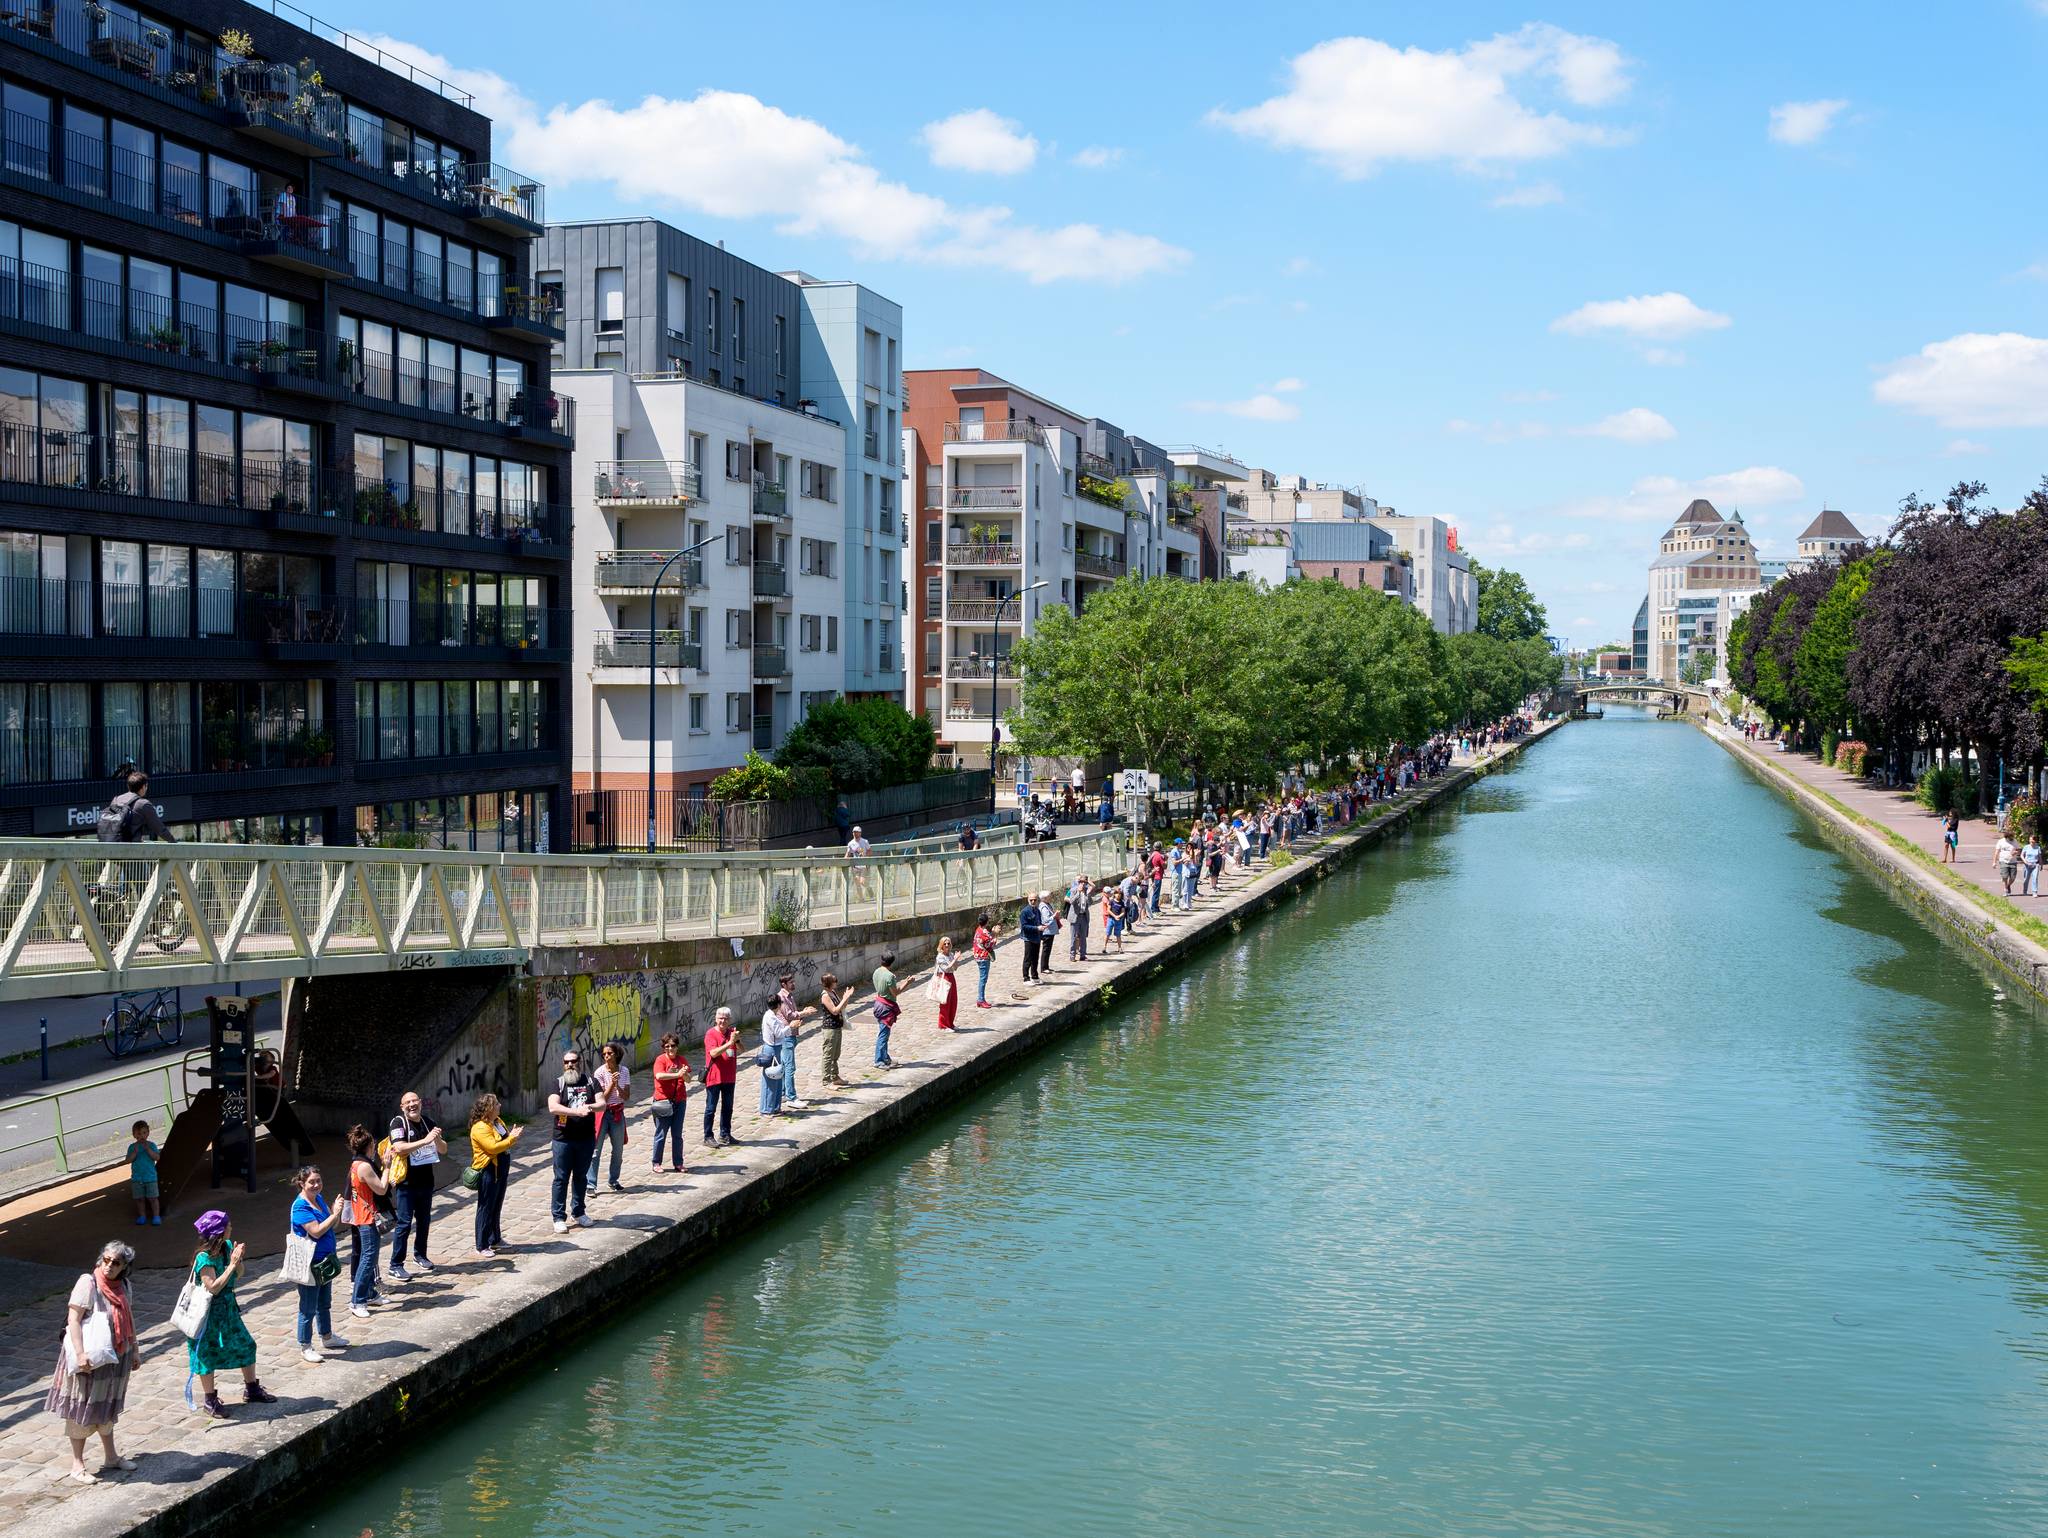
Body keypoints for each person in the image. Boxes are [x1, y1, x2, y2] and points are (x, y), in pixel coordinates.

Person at [47, 1241, 141, 1483]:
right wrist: (79, 1354)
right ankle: (77, 1464)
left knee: (107, 1406)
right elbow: (74, 1320)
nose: (109, 1266)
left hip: (115, 1358)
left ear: (124, 1267)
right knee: (82, 1407)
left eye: (116, 1263)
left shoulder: (125, 1286)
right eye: (106, 1260)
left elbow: (129, 1318)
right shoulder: (87, 1283)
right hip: (89, 1358)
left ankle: (111, 1456)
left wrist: (136, 1350)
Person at [185, 1211, 273, 1421]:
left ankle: (251, 1389)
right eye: (228, 1225)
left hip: (229, 1310)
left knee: (246, 1344)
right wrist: (232, 1265)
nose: (231, 1227)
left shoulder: (226, 1248)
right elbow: (213, 1287)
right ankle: (209, 1400)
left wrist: (237, 1260)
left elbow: (239, 1275)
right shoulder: (203, 1258)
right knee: (207, 1354)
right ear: (219, 1232)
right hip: (208, 1315)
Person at [288, 1166, 349, 1363]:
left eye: (318, 1181)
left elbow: (333, 1226)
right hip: (309, 1263)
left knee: (324, 1302)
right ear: (302, 1184)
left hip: (324, 1261)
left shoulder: (319, 1200)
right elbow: (316, 1231)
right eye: (311, 1182)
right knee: (308, 1307)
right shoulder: (300, 1207)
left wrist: (334, 1213)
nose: (316, 1185)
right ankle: (305, 1346)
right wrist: (335, 1213)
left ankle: (327, 1336)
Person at [386, 1090, 444, 1281]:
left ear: (420, 1103)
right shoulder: (398, 1123)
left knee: (424, 1220)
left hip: (426, 1181)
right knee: (404, 1223)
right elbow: (399, 1148)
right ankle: (396, 1264)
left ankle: (420, 1255)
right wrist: (425, 1141)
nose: (412, 1105)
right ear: (402, 1107)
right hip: (406, 1183)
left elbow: (443, 1149)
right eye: (408, 1102)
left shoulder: (428, 1123)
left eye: (415, 1101)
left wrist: (436, 1139)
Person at [548, 1050, 598, 1233]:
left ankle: (578, 1211)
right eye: (566, 1062)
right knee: (561, 1178)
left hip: (585, 1138)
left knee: (580, 1176)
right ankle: (558, 1217)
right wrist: (576, 1112)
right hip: (563, 1139)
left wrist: (589, 1107)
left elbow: (602, 1104)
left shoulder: (591, 1081)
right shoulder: (559, 1083)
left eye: (573, 1061)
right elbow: (553, 1107)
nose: (570, 1065)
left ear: (580, 1062)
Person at [344, 1124, 389, 1320]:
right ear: (369, 1146)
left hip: (362, 1215)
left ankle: (370, 1294)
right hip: (366, 1217)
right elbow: (381, 1189)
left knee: (369, 1256)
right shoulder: (364, 1166)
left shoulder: (356, 1163)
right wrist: (387, 1165)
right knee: (368, 1258)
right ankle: (357, 1300)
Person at [467, 1093, 519, 1256]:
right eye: (496, 1104)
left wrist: (511, 1136)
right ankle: (481, 1244)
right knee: (486, 1206)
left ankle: (495, 1238)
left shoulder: (497, 1121)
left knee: (497, 1205)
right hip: (488, 1171)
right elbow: (492, 1147)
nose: (500, 1106)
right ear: (489, 1109)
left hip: (501, 1169)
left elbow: (504, 1137)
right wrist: (512, 1139)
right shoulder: (480, 1127)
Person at [587, 1040, 632, 1191]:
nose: (606, 1056)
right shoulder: (599, 1073)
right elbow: (602, 1099)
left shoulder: (624, 1071)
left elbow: (626, 1096)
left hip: (617, 1113)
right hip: (603, 1113)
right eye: (604, 1054)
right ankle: (591, 1184)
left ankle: (613, 1180)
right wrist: (612, 1084)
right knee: (595, 1150)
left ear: (617, 1054)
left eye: (610, 1053)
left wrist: (618, 1084)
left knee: (618, 1150)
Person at [650, 1033, 690, 1172]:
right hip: (663, 1101)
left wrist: (684, 1073)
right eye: (667, 1046)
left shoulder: (682, 1060)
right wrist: (676, 1074)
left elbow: (688, 1080)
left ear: (677, 1047)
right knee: (661, 1133)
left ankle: (678, 1163)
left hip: (680, 1101)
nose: (670, 1049)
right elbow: (659, 1075)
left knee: (677, 1134)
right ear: (663, 1048)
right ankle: (656, 1162)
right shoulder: (660, 1060)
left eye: (673, 1046)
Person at [103, 770, 174, 842]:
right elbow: (160, 829)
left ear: (128, 786)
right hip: (130, 849)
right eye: (146, 786)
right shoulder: (143, 804)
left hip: (110, 845)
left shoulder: (116, 799)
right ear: (143, 787)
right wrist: (174, 843)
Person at [701, 1010, 738, 1147]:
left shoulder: (731, 1033)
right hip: (714, 1077)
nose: (723, 1021)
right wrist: (730, 1043)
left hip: (729, 1077)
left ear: (729, 1020)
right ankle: (708, 1136)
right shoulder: (710, 1034)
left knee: (728, 1107)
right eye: (720, 1018)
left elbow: (742, 1049)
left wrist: (737, 1041)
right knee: (711, 1108)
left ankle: (725, 1134)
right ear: (716, 1019)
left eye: (726, 1019)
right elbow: (714, 1053)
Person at [817, 973, 854, 1087]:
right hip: (830, 1028)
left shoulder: (832, 992)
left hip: (837, 1026)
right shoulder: (825, 996)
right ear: (829, 983)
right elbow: (834, 1010)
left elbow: (842, 1006)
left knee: (835, 1054)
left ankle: (835, 1077)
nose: (836, 982)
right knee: (828, 1054)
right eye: (834, 981)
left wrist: (846, 998)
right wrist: (845, 998)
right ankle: (826, 1080)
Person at [775, 976, 804, 1108]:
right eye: (791, 982)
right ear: (784, 984)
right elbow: (789, 1015)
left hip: (790, 1034)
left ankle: (782, 1094)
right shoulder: (781, 997)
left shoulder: (789, 996)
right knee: (789, 1067)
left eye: (793, 981)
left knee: (785, 1066)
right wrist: (804, 1013)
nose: (794, 984)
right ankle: (791, 1097)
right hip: (786, 1036)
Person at [125, 1119, 159, 1226]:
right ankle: (142, 1216)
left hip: (150, 1177)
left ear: (148, 1133)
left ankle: (156, 1216)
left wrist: (148, 1150)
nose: (142, 1136)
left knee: (153, 1198)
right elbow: (128, 1160)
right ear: (134, 1135)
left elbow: (157, 1157)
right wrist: (134, 1153)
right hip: (137, 1178)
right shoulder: (132, 1147)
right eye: (138, 1133)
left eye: (144, 1133)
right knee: (139, 1199)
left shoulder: (152, 1145)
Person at [759, 999, 790, 1114]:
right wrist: (791, 1026)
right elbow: (779, 1033)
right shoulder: (770, 1016)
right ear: (778, 1005)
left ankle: (776, 1107)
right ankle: (766, 1109)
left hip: (777, 1048)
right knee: (770, 1079)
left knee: (777, 1078)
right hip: (771, 1049)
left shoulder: (773, 1015)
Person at [872, 952, 901, 1067]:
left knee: (884, 1033)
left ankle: (885, 1057)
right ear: (892, 962)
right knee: (883, 1034)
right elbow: (895, 993)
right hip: (886, 1007)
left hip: (878, 1003)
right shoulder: (889, 976)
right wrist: (907, 983)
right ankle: (879, 1060)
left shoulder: (876, 972)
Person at [930, 935, 960, 1030]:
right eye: (945, 944)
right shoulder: (940, 957)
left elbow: (955, 968)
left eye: (948, 943)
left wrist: (955, 960)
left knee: (953, 1001)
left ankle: (950, 1023)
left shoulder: (950, 955)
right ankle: (943, 1024)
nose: (947, 945)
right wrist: (954, 959)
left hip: (951, 978)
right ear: (941, 945)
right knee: (945, 1002)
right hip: (944, 979)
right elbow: (946, 969)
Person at [971, 912, 996, 1007]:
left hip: (977, 956)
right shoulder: (985, 932)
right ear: (987, 922)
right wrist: (995, 934)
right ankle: (981, 999)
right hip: (983, 957)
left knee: (982, 978)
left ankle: (980, 999)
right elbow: (991, 944)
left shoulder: (978, 930)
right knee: (983, 979)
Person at [1065, 880, 1091, 962]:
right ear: (1079, 883)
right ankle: (1072, 955)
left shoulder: (1086, 891)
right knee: (1074, 937)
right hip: (1075, 917)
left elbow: (1090, 902)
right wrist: (1078, 893)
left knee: (1083, 937)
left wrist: (1088, 895)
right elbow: (1072, 901)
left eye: (1085, 883)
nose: (1083, 884)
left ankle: (1083, 955)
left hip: (1084, 916)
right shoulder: (1073, 890)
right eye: (1082, 882)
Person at [1018, 895, 1042, 983]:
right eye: (1031, 900)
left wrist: (1042, 928)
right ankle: (1026, 977)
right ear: (1028, 900)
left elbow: (1039, 922)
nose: (1033, 902)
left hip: (1037, 937)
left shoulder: (1037, 911)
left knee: (1035, 958)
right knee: (1028, 958)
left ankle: (1035, 976)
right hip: (1028, 938)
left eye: (1035, 900)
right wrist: (1036, 928)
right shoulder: (1025, 912)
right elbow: (1024, 926)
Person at [1036, 891, 1059, 977]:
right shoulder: (1043, 907)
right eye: (1049, 897)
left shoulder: (1047, 904)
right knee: (1046, 949)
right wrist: (1054, 915)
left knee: (1048, 949)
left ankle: (1046, 966)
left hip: (1050, 931)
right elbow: (1046, 920)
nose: (1051, 898)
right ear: (1044, 898)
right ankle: (1043, 967)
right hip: (1047, 931)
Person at [1104, 884, 1126, 953]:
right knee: (1107, 934)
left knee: (1118, 935)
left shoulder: (1122, 903)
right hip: (1111, 919)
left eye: (1119, 894)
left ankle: (1119, 947)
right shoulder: (1111, 901)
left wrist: (1119, 916)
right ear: (1114, 894)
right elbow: (1108, 910)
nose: (1118, 895)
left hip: (1119, 920)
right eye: (1116, 893)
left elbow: (1123, 912)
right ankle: (1104, 947)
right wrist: (1114, 916)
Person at [2024, 833, 2043, 898]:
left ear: (2035, 840)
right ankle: (2025, 890)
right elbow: (2021, 855)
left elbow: (2039, 857)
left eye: (2032, 840)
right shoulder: (2026, 847)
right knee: (2026, 879)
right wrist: (2025, 861)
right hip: (2027, 865)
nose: (2031, 841)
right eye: (2030, 840)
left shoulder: (2038, 847)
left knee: (2035, 878)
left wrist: (2041, 865)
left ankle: (2034, 892)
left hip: (2035, 865)